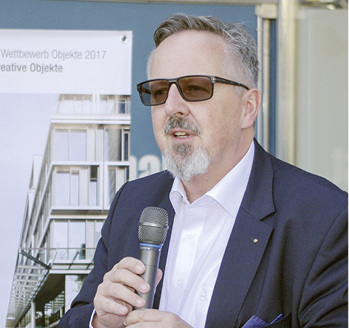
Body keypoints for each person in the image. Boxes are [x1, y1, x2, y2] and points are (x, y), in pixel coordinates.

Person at [58, 13, 347, 328]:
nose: (172, 107)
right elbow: (75, 318)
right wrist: (100, 320)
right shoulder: (133, 201)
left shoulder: (325, 220)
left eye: (194, 88)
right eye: (158, 92)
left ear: (247, 108)